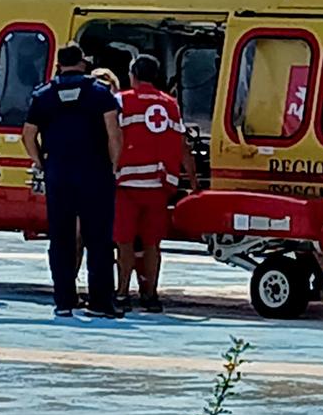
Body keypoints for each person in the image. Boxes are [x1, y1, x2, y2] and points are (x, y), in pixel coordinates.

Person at [22, 42, 123, 318]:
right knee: (98, 239)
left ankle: (64, 300)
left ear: (59, 64)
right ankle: (101, 302)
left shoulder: (43, 95)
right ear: (82, 63)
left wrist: (41, 162)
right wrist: (113, 164)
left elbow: (28, 134)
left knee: (62, 238)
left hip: (59, 173)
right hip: (95, 173)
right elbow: (113, 133)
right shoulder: (100, 94)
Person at [113, 54, 199, 313]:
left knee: (124, 242)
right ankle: (150, 295)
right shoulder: (171, 105)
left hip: (127, 184)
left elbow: (112, 137)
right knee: (152, 244)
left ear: (133, 75)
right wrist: (193, 180)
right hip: (160, 185)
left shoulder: (122, 101)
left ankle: (121, 293)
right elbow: (183, 146)